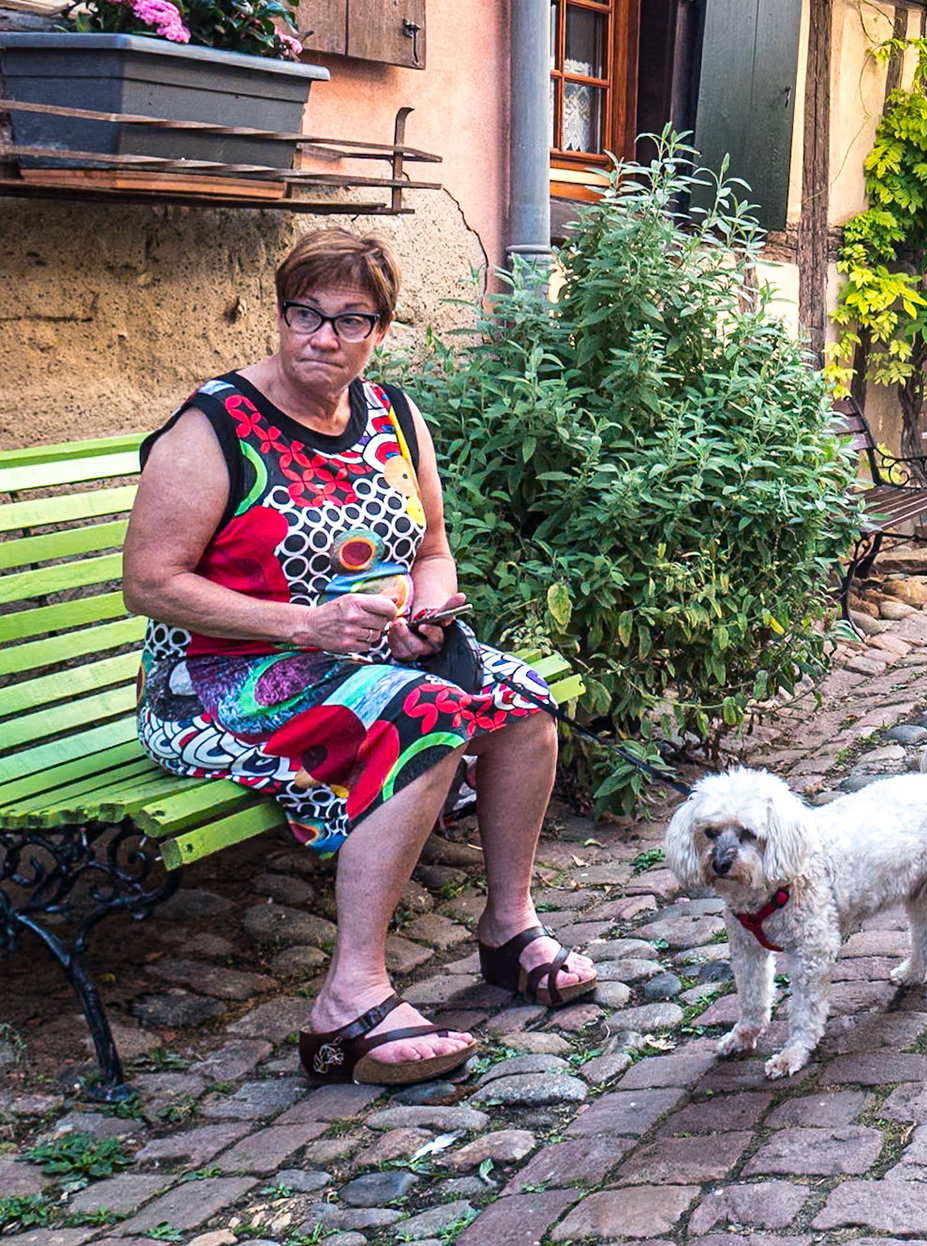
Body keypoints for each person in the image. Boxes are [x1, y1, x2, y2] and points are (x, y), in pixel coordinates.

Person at [124, 230, 595, 1087]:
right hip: (219, 682)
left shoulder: (394, 417)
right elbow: (150, 584)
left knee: (521, 700)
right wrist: (306, 626)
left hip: (363, 659)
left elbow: (433, 551)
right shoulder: (213, 427)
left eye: (350, 320)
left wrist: (425, 613)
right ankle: (349, 999)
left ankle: (507, 927)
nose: (322, 337)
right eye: (304, 313)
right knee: (427, 714)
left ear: (380, 330)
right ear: (280, 315)